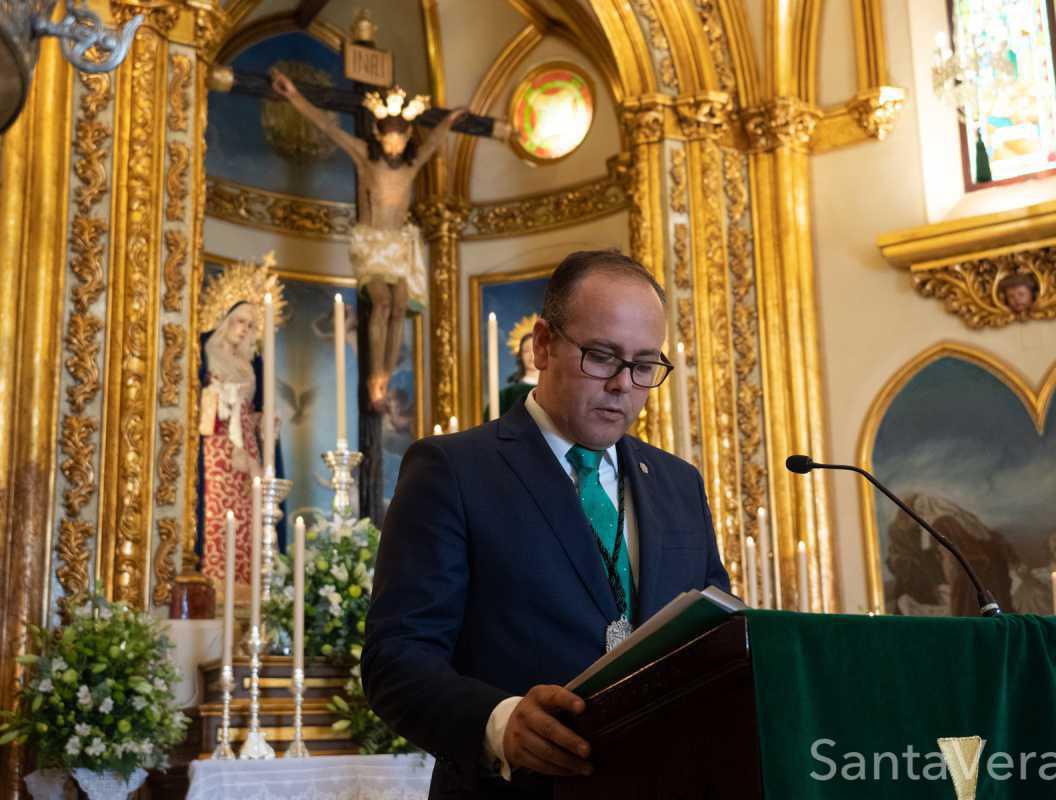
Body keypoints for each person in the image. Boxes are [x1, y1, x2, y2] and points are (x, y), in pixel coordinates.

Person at [364, 250, 730, 799]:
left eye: (645, 365)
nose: (623, 385)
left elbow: (715, 635)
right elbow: (397, 660)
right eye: (603, 357)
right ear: (542, 345)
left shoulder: (678, 483)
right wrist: (500, 723)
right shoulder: (453, 470)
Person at [270, 68, 466, 410]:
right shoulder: (365, 156)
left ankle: (386, 378)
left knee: (401, 305)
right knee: (382, 302)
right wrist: (294, 96)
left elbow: (432, 144)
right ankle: (374, 376)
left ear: (406, 139)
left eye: (400, 139)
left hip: (399, 245)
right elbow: (328, 128)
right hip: (373, 245)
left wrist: (448, 121)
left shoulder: (410, 165)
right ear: (378, 134)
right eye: (389, 138)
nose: (394, 144)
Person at [198, 301, 263, 593]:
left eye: (250, 325)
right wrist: (218, 394)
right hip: (219, 444)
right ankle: (216, 583)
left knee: (248, 514)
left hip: (247, 445)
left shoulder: (249, 364)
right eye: (240, 321)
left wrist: (265, 421)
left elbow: (251, 409)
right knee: (218, 509)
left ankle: (244, 586)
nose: (244, 329)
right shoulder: (207, 353)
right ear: (226, 321)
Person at [497, 332, 539, 417]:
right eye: (527, 351)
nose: (531, 355)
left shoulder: (554, 390)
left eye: (535, 350)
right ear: (520, 355)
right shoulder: (506, 395)